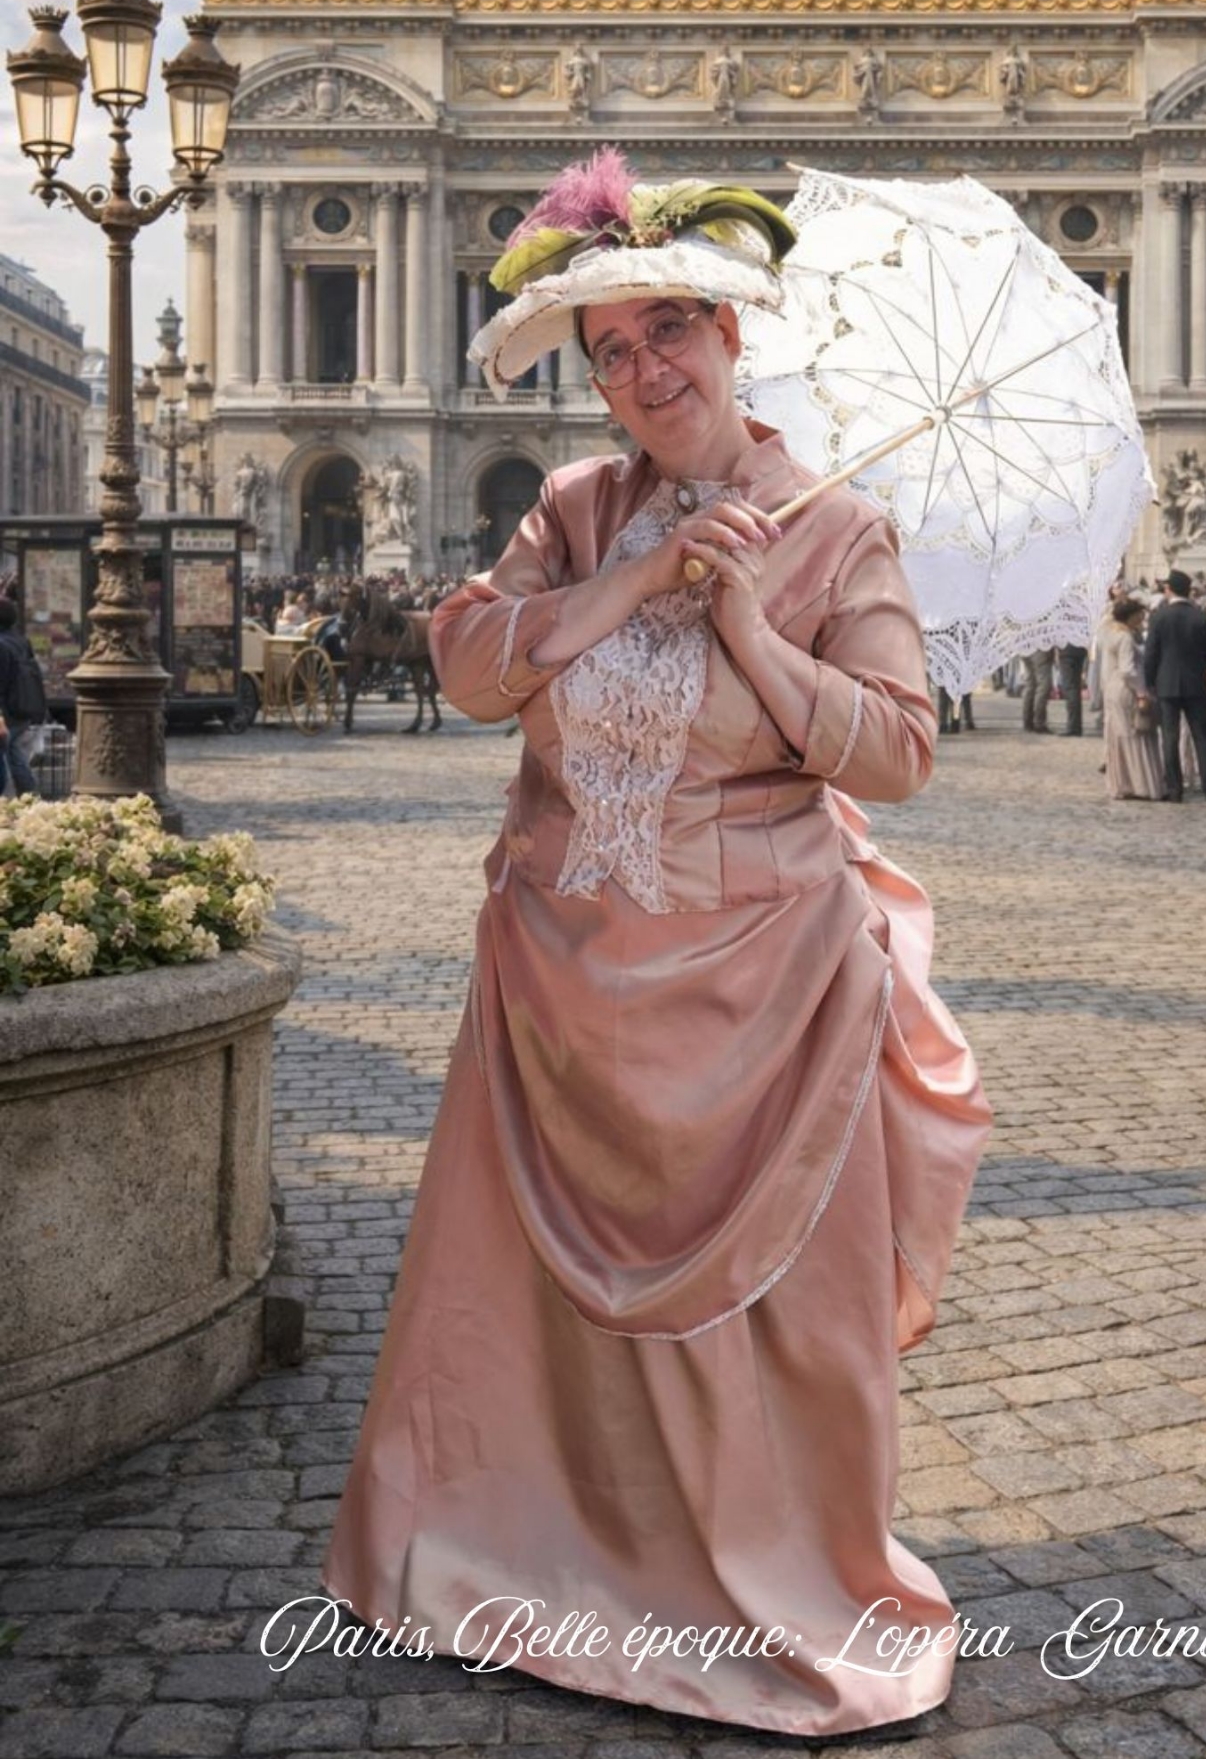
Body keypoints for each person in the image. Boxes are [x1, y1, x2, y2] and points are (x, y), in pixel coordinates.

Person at [323, 150, 993, 1739]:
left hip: (764, 993)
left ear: (731, 332)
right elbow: (481, 671)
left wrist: (753, 628)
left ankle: (776, 1576)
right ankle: (530, 1563)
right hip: (561, 986)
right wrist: (624, 581)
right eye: (608, 350)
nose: (640, 372)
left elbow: (896, 756)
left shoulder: (838, 529)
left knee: (779, 1330)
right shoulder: (568, 510)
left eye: (669, 331)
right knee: (532, 1326)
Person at [1143, 568, 1206, 801]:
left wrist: (1150, 681)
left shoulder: (1159, 616)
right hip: (1195, 682)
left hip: (1166, 683)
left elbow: (1151, 654)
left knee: (1170, 736)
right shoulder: (1202, 616)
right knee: (1202, 736)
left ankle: (1175, 789)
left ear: (1168, 589)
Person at [1096, 596, 1163, 800]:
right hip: (1126, 689)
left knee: (1119, 735)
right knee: (1136, 732)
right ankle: (1139, 783)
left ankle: (1122, 782)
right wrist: (1142, 692)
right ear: (1130, 617)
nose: (1142, 620)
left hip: (1112, 689)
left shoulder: (1108, 632)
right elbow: (1128, 670)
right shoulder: (1125, 637)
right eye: (1139, 616)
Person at [0, 598, 48, 798]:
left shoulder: (1, 645)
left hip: (8, 710)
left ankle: (27, 795)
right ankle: (28, 796)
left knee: (10, 751)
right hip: (21, 706)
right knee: (13, 752)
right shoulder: (20, 640)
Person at [1056, 642, 1087, 736]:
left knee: (1070, 688)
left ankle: (1073, 726)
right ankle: (1076, 725)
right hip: (1080, 650)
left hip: (1066, 652)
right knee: (1075, 687)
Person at [1021, 645, 1055, 731]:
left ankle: (1027, 721)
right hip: (1040, 649)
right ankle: (1039, 722)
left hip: (1025, 648)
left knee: (1030, 685)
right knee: (1043, 685)